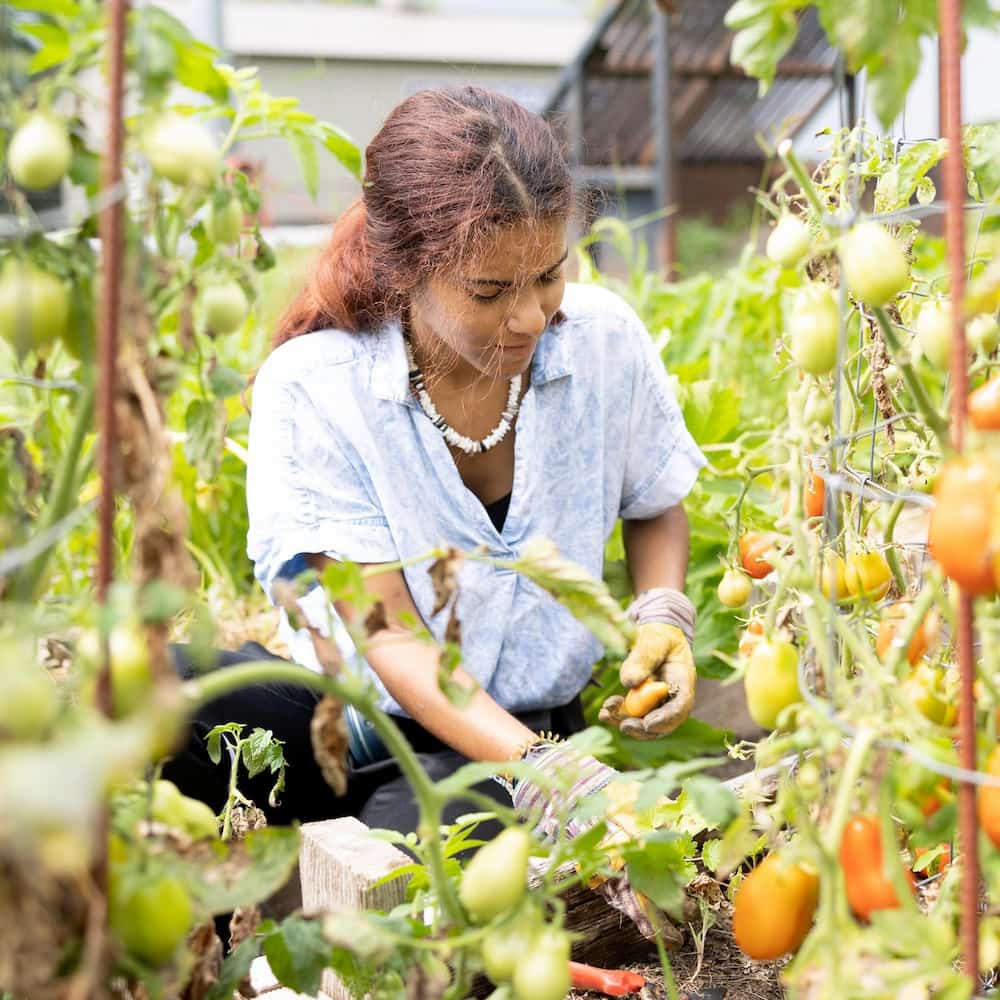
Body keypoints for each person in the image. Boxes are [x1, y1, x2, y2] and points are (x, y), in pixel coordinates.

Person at [164, 86, 705, 939]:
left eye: (550, 273)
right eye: (490, 290)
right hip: (357, 719)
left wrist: (662, 612)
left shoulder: (601, 341)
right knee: (158, 696)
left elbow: (655, 502)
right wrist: (554, 776)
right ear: (404, 269)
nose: (531, 315)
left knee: (433, 891)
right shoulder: (317, 387)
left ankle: (394, 849)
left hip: (522, 728)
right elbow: (388, 635)